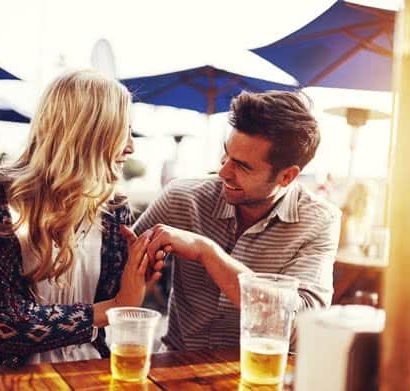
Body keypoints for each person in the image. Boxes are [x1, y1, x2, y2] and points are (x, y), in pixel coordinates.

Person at [0, 70, 162, 390]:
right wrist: (112, 308)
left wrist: (139, 271)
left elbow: (120, 298)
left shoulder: (113, 209)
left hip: (89, 368)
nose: (131, 147)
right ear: (86, 132)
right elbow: (7, 327)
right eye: (122, 130)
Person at [133, 91, 341, 351]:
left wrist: (207, 252)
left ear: (286, 176)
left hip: (262, 375)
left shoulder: (318, 221)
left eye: (242, 166)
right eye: (226, 154)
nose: (223, 172)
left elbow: (300, 328)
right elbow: (112, 271)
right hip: (175, 367)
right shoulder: (182, 198)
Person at [338, 181, 376, 255]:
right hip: (342, 259)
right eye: (367, 199)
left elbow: (363, 246)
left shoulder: (364, 219)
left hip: (357, 260)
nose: (369, 203)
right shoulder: (343, 216)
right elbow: (338, 245)